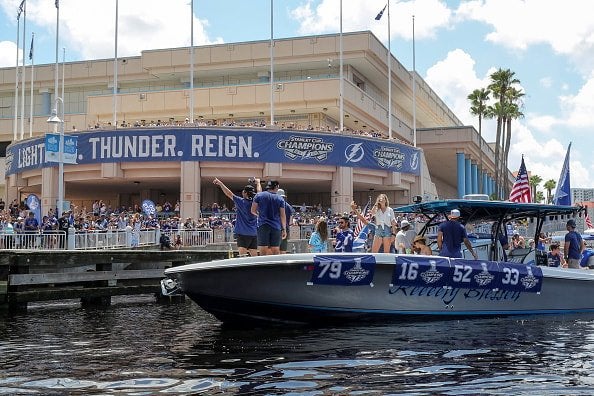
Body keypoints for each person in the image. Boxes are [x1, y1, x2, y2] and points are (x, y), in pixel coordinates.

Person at [214, 177, 259, 257]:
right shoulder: (256, 203)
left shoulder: (241, 202)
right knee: (254, 258)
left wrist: (220, 183)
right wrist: (258, 183)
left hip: (242, 234)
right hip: (253, 233)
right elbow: (259, 192)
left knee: (242, 257)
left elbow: (228, 193)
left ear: (245, 193)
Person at [251, 180, 286, 255]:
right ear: (276, 187)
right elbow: (283, 215)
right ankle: (276, 266)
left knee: (263, 250)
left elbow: (253, 211)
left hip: (263, 225)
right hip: (276, 226)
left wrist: (259, 215)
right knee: (276, 250)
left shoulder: (259, 195)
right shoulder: (280, 199)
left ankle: (264, 266)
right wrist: (284, 229)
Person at [276, 188, 294, 254]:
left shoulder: (275, 205)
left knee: (275, 249)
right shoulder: (289, 206)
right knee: (283, 250)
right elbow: (290, 222)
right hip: (286, 229)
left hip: (276, 229)